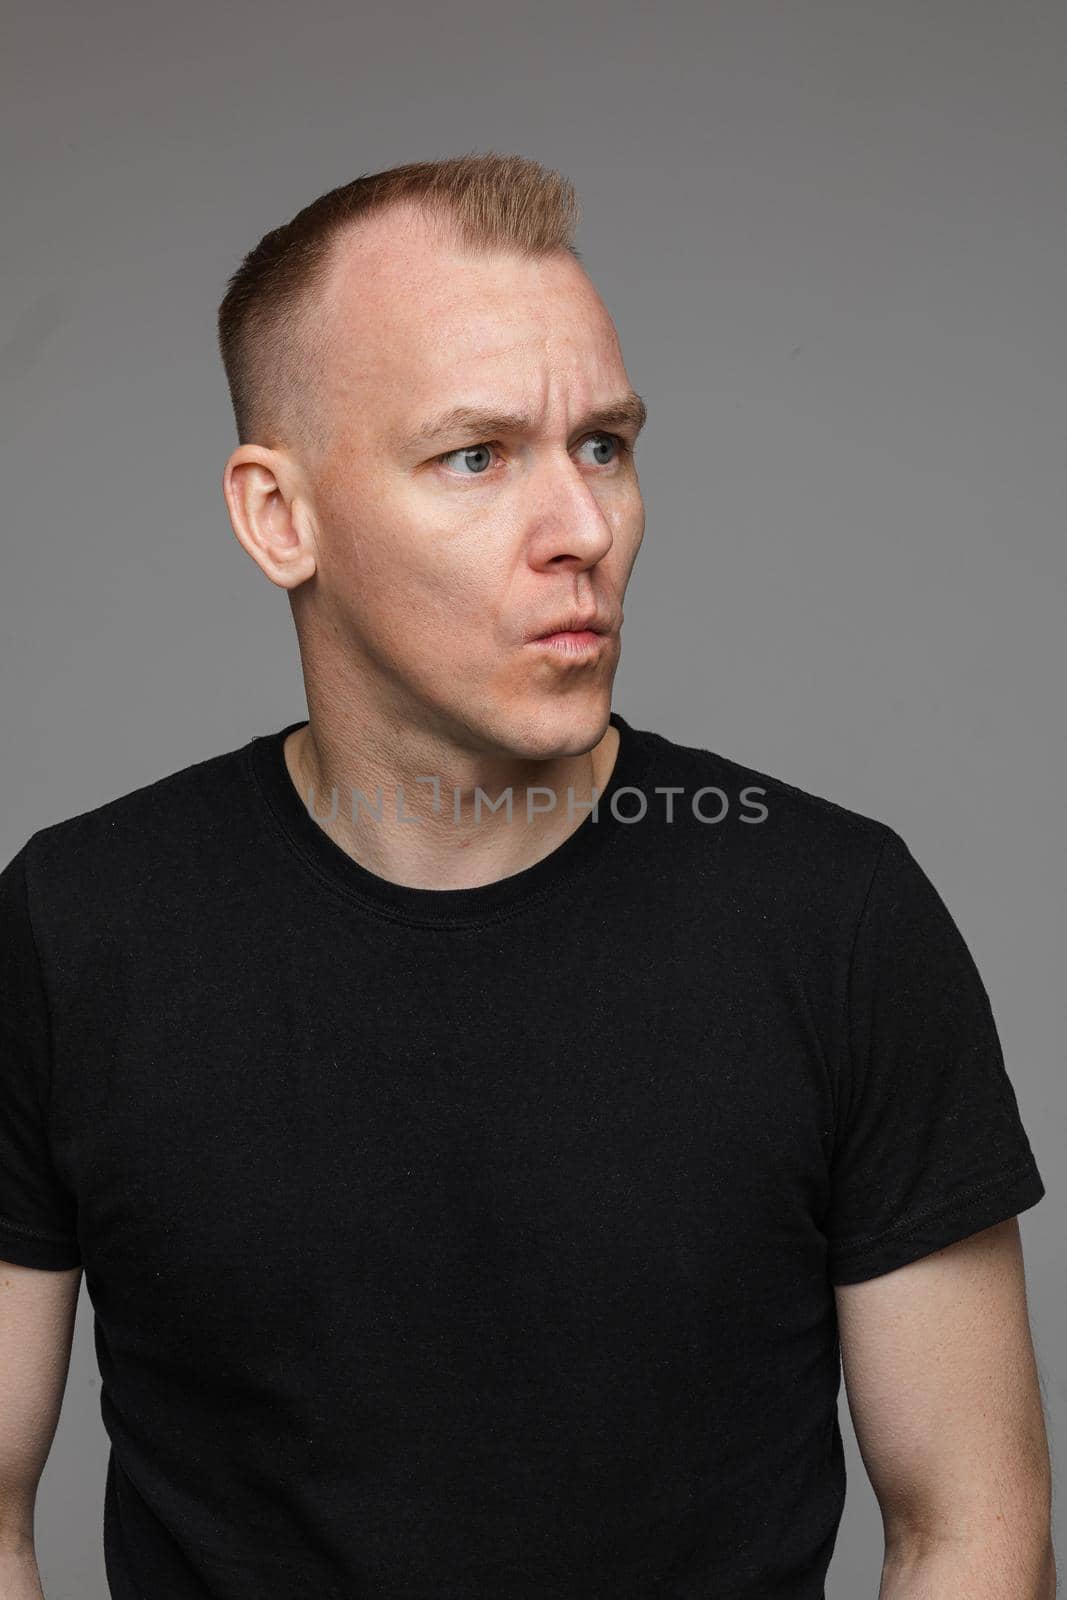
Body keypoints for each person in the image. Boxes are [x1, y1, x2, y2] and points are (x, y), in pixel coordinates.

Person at [0, 151, 1054, 1600]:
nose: (583, 532)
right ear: (277, 517)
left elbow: (970, 1531)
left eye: (605, 446)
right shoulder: (76, 930)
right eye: (477, 456)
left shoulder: (838, 924)